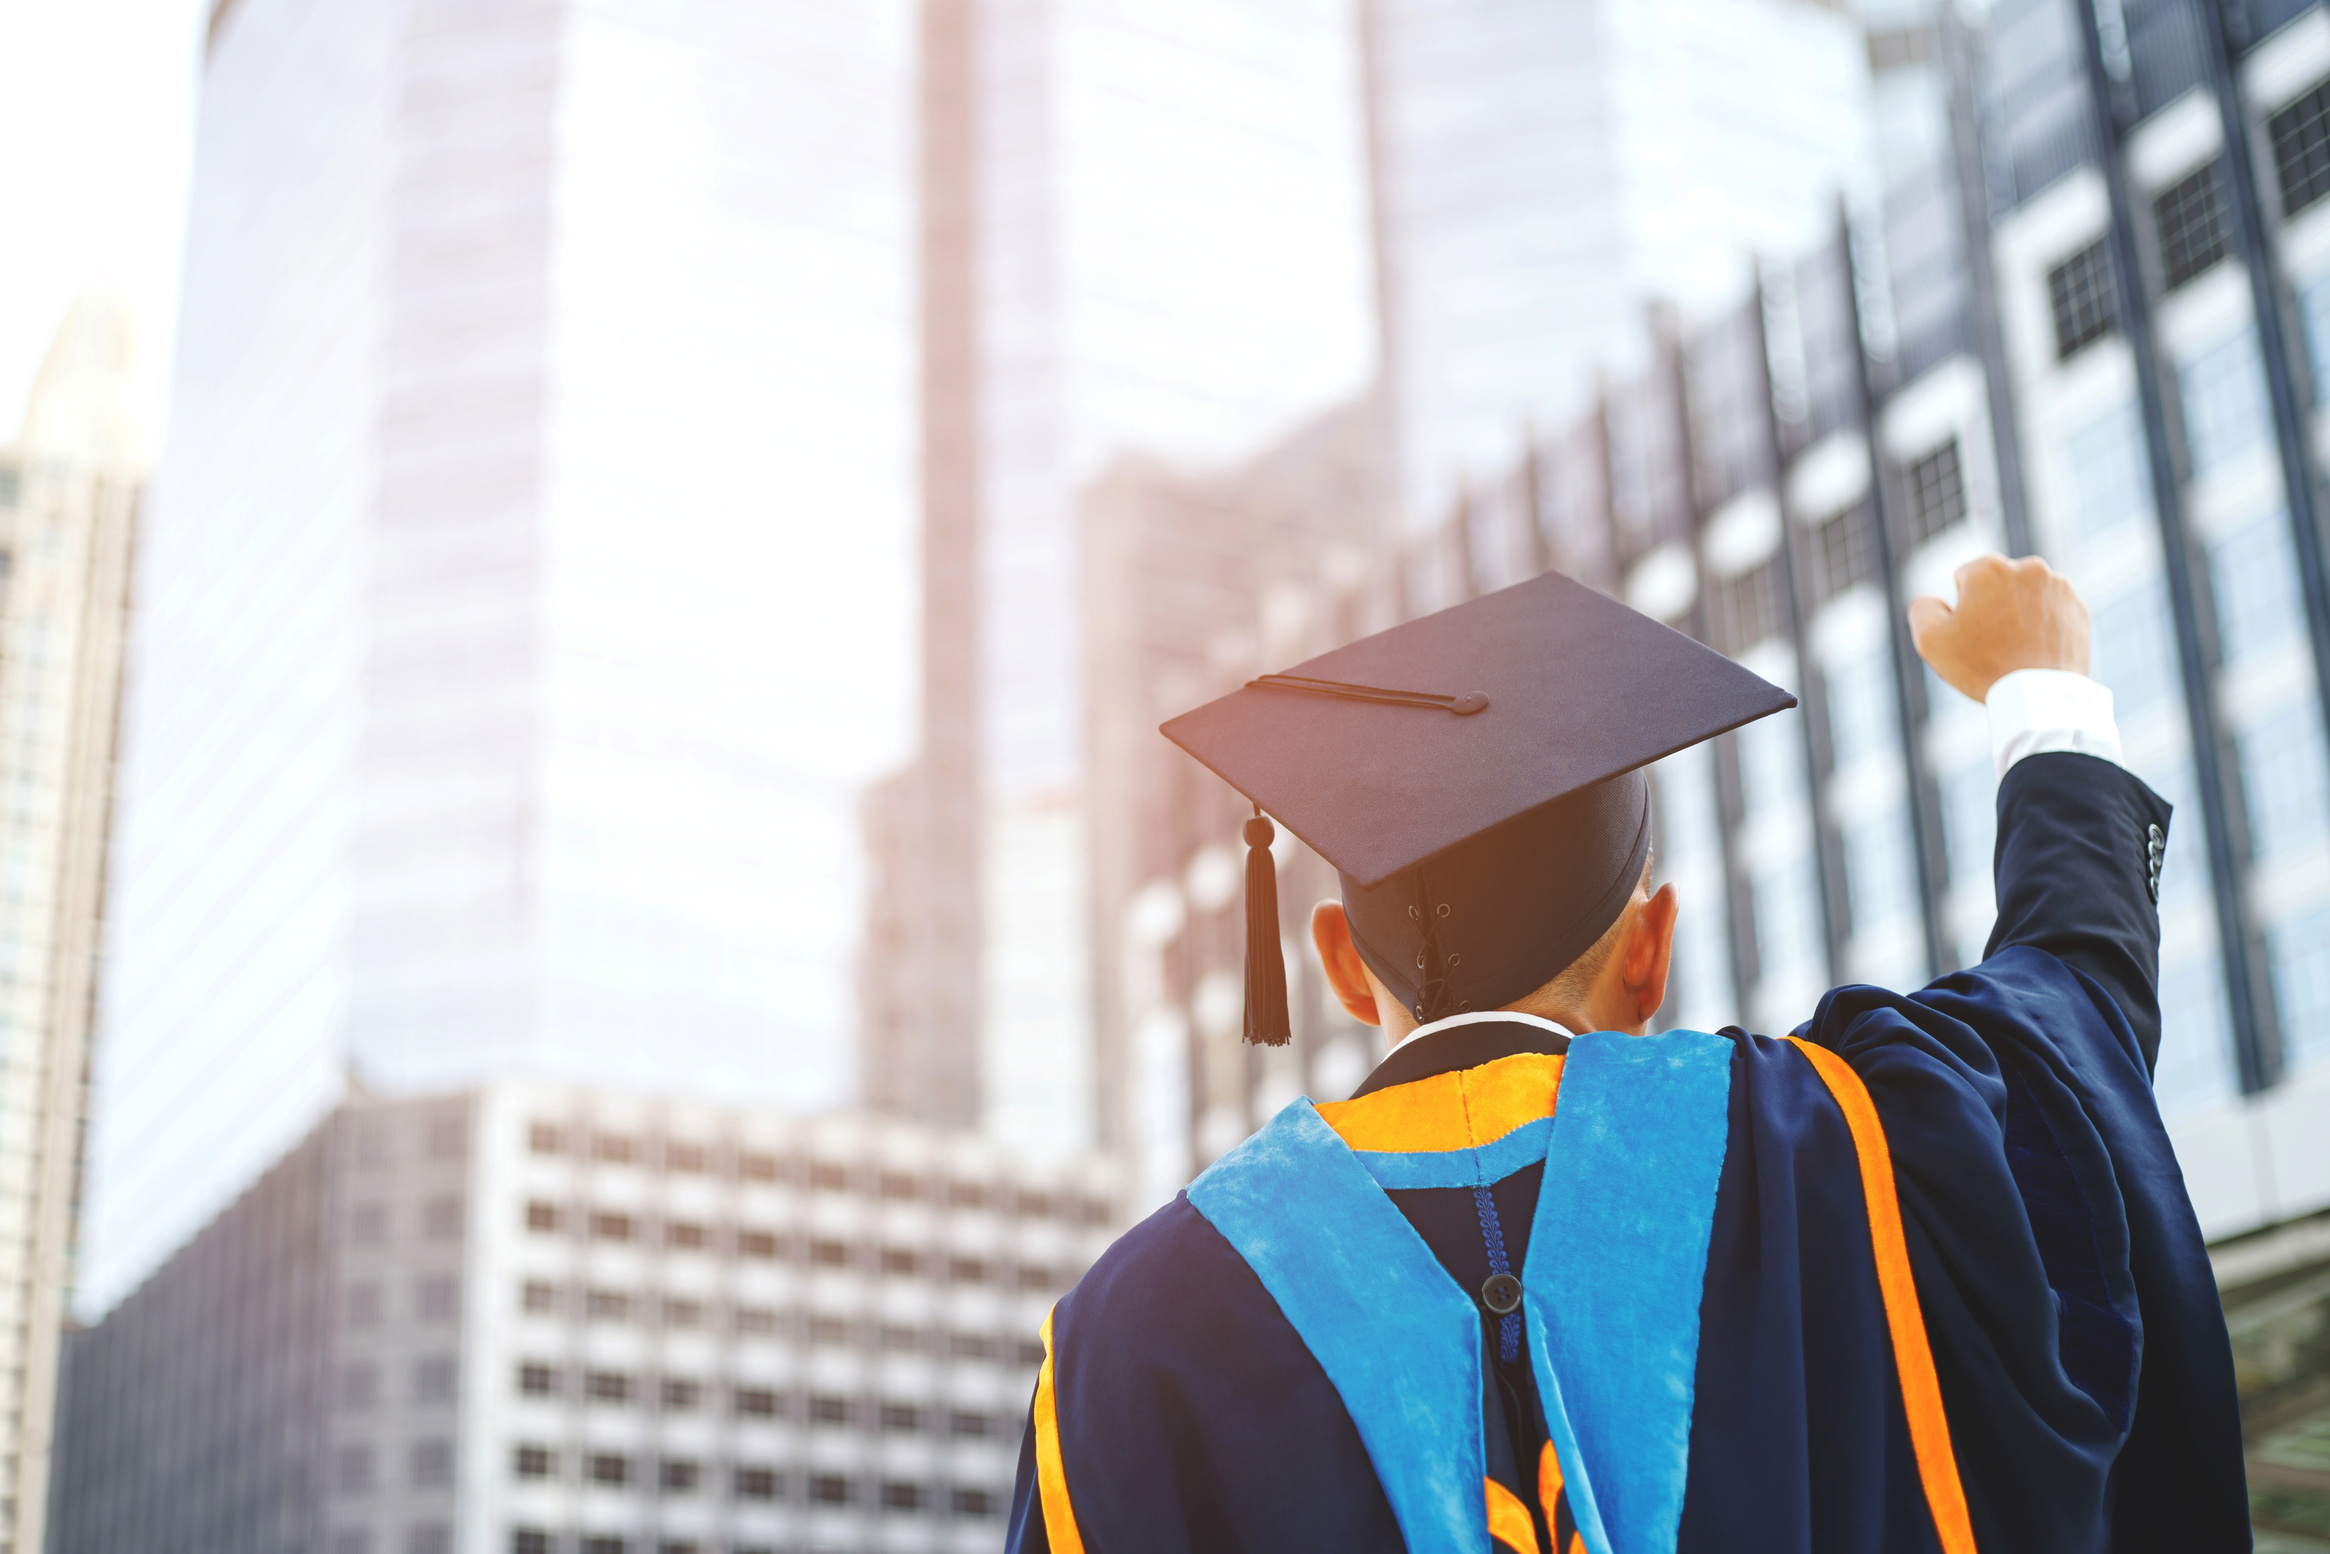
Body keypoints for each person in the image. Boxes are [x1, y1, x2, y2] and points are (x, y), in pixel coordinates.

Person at [1005, 556, 2247, 1554]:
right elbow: (2068, 1011)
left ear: (1336, 961)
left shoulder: (1123, 1339)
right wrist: (2044, 691)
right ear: (1648, 949)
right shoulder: (1845, 1141)